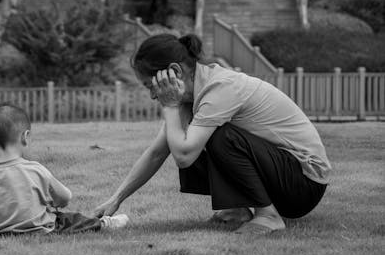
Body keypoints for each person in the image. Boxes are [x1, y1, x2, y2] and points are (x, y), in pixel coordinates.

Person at [94, 34, 331, 234]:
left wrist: (170, 107)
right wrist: (116, 199)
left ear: (173, 71)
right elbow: (157, 152)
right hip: (283, 176)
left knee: (217, 137)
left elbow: (184, 156)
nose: (153, 96)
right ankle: (238, 210)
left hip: (304, 184)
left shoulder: (219, 88)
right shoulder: (191, 96)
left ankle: (268, 216)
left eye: (150, 86)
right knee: (192, 137)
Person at [0, 103, 129, 236]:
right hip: (41, 228)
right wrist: (56, 202)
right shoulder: (36, 169)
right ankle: (104, 224)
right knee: (72, 219)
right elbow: (65, 197)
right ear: (25, 137)